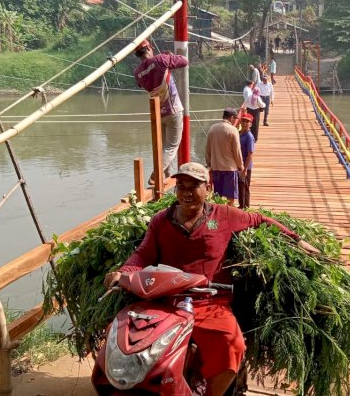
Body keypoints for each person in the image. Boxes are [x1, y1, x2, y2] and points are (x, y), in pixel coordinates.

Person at [103, 162, 320, 396]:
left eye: (194, 186)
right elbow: (143, 253)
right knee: (126, 339)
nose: (186, 193)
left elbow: (259, 219)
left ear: (208, 188)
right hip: (164, 300)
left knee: (232, 344)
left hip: (209, 301)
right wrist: (124, 273)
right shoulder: (161, 221)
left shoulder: (223, 216)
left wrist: (296, 239)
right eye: (181, 186)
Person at [133, 39, 188, 184]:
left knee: (163, 148)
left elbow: (141, 83)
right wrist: (169, 56)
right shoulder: (161, 59)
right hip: (173, 110)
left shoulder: (138, 72)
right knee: (172, 146)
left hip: (158, 113)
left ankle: (166, 175)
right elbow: (184, 61)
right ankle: (156, 174)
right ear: (149, 48)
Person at [205, 108, 245, 205]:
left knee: (217, 196)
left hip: (216, 168)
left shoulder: (212, 128)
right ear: (231, 118)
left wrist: (209, 164)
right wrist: (241, 166)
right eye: (235, 118)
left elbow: (207, 150)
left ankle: (217, 215)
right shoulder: (233, 130)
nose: (235, 121)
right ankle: (228, 214)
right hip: (229, 169)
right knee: (230, 196)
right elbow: (237, 151)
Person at [238, 113, 255, 209]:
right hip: (240, 165)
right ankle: (241, 205)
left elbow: (250, 155)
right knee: (240, 187)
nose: (245, 123)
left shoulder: (249, 137)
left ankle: (245, 207)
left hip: (245, 167)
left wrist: (244, 170)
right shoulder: (240, 133)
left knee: (245, 188)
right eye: (243, 121)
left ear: (251, 124)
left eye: (247, 122)